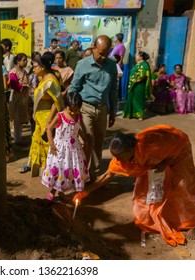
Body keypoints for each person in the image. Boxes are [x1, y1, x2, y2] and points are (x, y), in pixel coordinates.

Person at [73, 125, 195, 247]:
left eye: (120, 157)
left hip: (178, 148)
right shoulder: (123, 156)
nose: (118, 161)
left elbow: (173, 149)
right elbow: (107, 175)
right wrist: (85, 192)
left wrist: (164, 163)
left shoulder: (150, 146)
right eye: (116, 157)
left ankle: (194, 223)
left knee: (183, 186)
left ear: (130, 151)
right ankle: (159, 216)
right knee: (147, 190)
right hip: (156, 161)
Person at [68, 35, 118, 182]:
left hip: (102, 109)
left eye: (106, 53)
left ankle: (93, 174)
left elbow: (113, 90)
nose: (103, 56)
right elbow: (74, 87)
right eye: (100, 52)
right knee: (87, 141)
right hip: (85, 108)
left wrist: (113, 111)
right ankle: (81, 174)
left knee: (98, 143)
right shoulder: (82, 64)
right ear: (93, 47)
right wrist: (70, 109)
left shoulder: (111, 66)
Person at [19, 52, 64, 176]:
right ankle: (44, 171)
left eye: (35, 66)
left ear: (43, 67)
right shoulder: (43, 78)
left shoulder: (51, 80)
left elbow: (57, 101)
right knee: (38, 143)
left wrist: (50, 121)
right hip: (40, 117)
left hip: (47, 117)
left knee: (47, 145)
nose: (33, 69)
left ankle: (53, 174)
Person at [42, 92, 89, 200]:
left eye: (76, 110)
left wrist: (85, 139)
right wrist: (51, 144)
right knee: (60, 169)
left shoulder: (78, 117)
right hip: (60, 150)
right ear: (65, 106)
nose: (73, 112)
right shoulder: (60, 116)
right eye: (71, 109)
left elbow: (79, 129)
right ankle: (53, 191)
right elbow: (49, 128)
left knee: (71, 170)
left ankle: (63, 191)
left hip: (74, 150)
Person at [122, 51, 153, 121]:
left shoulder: (144, 64)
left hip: (139, 86)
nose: (136, 56)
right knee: (132, 99)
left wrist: (135, 80)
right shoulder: (137, 64)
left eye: (137, 55)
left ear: (141, 57)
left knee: (139, 100)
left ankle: (140, 115)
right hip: (133, 85)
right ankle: (132, 114)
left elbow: (143, 75)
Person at [9, 53, 30, 146]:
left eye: (26, 60)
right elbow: (13, 85)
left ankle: (19, 137)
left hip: (24, 97)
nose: (26, 62)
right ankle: (17, 139)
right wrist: (23, 86)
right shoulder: (13, 71)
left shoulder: (24, 71)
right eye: (24, 60)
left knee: (21, 118)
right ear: (18, 61)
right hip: (17, 97)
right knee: (17, 118)